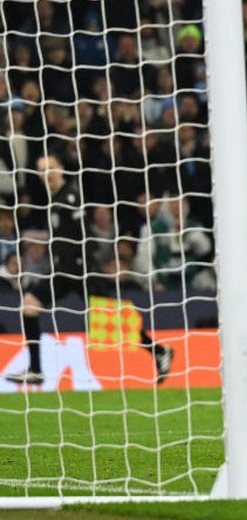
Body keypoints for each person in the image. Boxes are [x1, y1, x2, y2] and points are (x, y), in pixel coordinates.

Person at [5, 155, 173, 385]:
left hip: (80, 270)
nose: (47, 174)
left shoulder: (70, 197)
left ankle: (159, 351)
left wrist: (87, 265)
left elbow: (84, 235)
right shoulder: (56, 199)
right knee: (30, 305)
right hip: (64, 271)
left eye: (50, 168)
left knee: (113, 319)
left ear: (61, 169)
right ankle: (35, 369)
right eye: (42, 170)